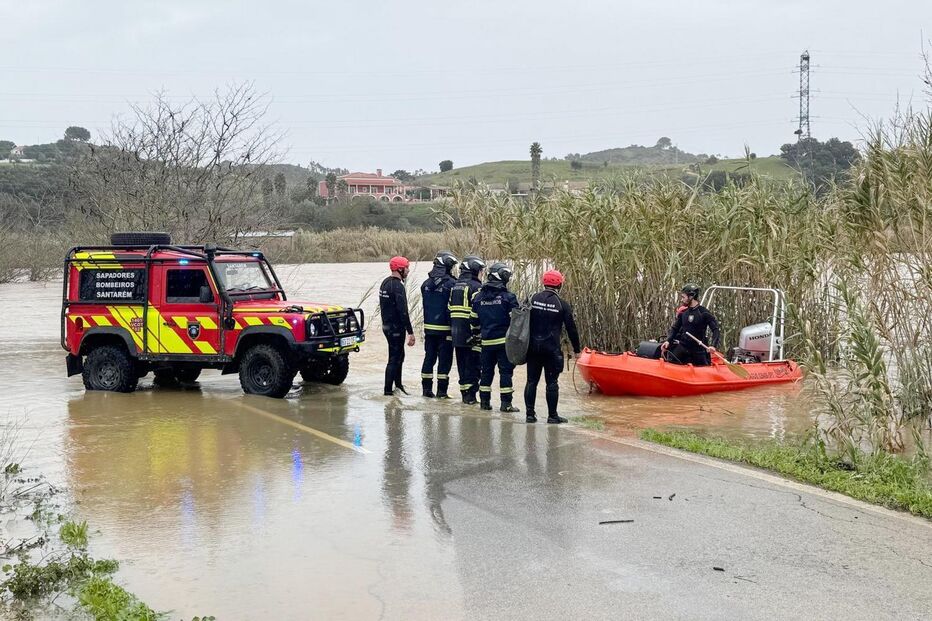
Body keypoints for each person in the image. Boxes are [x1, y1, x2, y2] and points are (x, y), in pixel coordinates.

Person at [524, 270, 581, 424]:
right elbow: (572, 329)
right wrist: (577, 350)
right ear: (559, 284)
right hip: (551, 349)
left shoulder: (532, 299)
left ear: (544, 283)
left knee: (531, 381)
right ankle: (552, 416)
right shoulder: (562, 305)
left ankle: (530, 415)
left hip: (533, 348)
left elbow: (520, 320)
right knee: (552, 383)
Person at [471, 262, 519, 412]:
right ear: (503, 277)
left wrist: (477, 336)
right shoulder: (508, 297)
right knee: (505, 372)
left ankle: (484, 403)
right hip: (504, 343)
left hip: (486, 343)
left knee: (486, 372)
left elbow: (473, 321)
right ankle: (506, 404)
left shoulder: (478, 298)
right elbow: (517, 322)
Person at [420, 250, 458, 398]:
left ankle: (426, 391)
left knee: (429, 358)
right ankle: (442, 392)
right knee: (445, 360)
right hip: (446, 331)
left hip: (429, 330)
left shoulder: (425, 284)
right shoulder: (452, 284)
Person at [448, 255, 485, 404]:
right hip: (471, 334)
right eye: (481, 271)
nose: (482, 274)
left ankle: (465, 395)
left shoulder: (455, 285)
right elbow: (479, 311)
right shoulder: (476, 287)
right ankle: (470, 397)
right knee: (474, 366)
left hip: (457, 333)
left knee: (462, 365)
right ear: (475, 270)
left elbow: (449, 308)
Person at [379, 256, 415, 395]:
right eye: (407, 268)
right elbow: (403, 312)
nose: (408, 270)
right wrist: (410, 332)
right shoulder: (398, 286)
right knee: (394, 359)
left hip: (387, 326)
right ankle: (388, 392)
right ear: (400, 269)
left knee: (400, 355)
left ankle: (398, 385)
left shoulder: (385, 283)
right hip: (395, 328)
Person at [660, 283, 720, 366]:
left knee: (703, 370)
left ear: (691, 297)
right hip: (683, 347)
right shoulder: (683, 313)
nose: (682, 300)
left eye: (683, 297)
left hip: (698, 350)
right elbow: (675, 328)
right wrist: (668, 341)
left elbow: (715, 329)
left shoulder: (704, 313)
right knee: (670, 362)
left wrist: (713, 346)